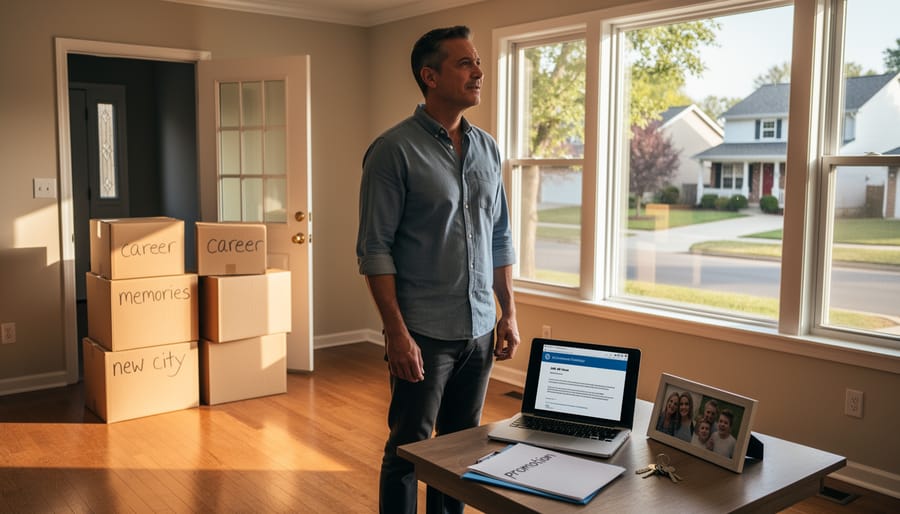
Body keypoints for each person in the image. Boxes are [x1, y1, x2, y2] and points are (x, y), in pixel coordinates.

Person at [356, 25, 520, 514]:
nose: (479, 71)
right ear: (430, 76)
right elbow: (375, 249)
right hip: (422, 332)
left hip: (478, 331)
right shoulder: (393, 150)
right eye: (465, 63)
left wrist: (507, 312)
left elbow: (499, 235)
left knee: (460, 452)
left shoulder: (487, 148)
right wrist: (396, 333)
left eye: (478, 62)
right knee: (409, 449)